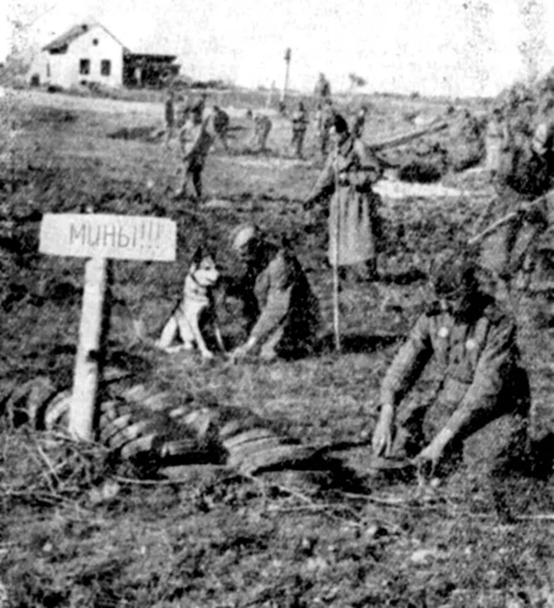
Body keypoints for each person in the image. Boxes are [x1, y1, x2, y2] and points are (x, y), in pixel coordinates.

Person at [370, 249, 530, 485]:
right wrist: (387, 412)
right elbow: (405, 362)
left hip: (495, 408)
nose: (446, 305)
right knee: (405, 446)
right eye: (442, 297)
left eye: (454, 298)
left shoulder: (498, 324)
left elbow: (485, 390)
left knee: (484, 469)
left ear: (471, 289)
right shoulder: (436, 314)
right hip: (449, 401)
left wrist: (441, 441)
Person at [304, 113, 384, 282]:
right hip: (339, 201)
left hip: (357, 200)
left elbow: (375, 172)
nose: (332, 139)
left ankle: (367, 274)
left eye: (334, 135)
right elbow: (326, 175)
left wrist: (351, 178)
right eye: (330, 136)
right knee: (340, 236)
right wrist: (312, 197)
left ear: (344, 132)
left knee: (360, 236)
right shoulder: (335, 151)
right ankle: (344, 273)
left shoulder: (359, 147)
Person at [226, 224, 321, 362]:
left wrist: (251, 342)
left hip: (292, 319)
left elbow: (276, 308)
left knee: (267, 355)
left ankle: (291, 343)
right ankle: (256, 342)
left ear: (256, 245)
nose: (242, 259)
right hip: (270, 319)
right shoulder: (256, 260)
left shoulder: (280, 264)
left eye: (244, 254)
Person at [173, 102, 215, 203]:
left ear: (199, 115)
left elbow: (198, 142)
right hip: (187, 150)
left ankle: (195, 193)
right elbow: (180, 136)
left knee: (194, 174)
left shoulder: (200, 128)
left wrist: (190, 154)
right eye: (192, 114)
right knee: (187, 171)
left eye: (196, 114)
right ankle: (185, 190)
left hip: (196, 154)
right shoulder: (188, 125)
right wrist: (181, 148)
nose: (193, 116)